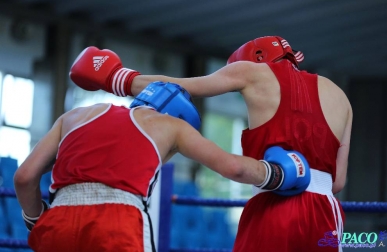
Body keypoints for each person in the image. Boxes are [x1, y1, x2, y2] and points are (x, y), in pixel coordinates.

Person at [69, 36, 353, 252]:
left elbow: (177, 87)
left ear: (257, 58)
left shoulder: (253, 72)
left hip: (273, 206)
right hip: (326, 213)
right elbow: (337, 181)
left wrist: (116, 78)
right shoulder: (340, 96)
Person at [14, 80, 311, 252]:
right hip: (116, 222)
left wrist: (35, 219)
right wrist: (279, 172)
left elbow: (25, 177)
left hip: (58, 221)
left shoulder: (77, 115)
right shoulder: (171, 127)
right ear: (179, 117)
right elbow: (233, 168)